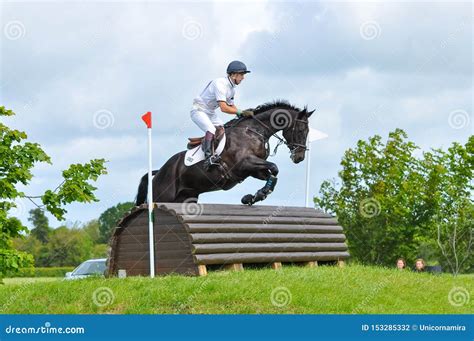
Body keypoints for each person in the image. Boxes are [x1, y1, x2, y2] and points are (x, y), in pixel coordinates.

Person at [190, 60, 254, 169]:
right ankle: (208, 157)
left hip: (210, 112)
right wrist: (240, 112)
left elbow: (231, 106)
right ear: (233, 75)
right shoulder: (220, 83)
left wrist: (243, 114)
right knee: (211, 129)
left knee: (223, 129)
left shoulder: (232, 89)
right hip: (198, 111)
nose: (243, 77)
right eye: (241, 74)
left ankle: (210, 146)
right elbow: (224, 108)